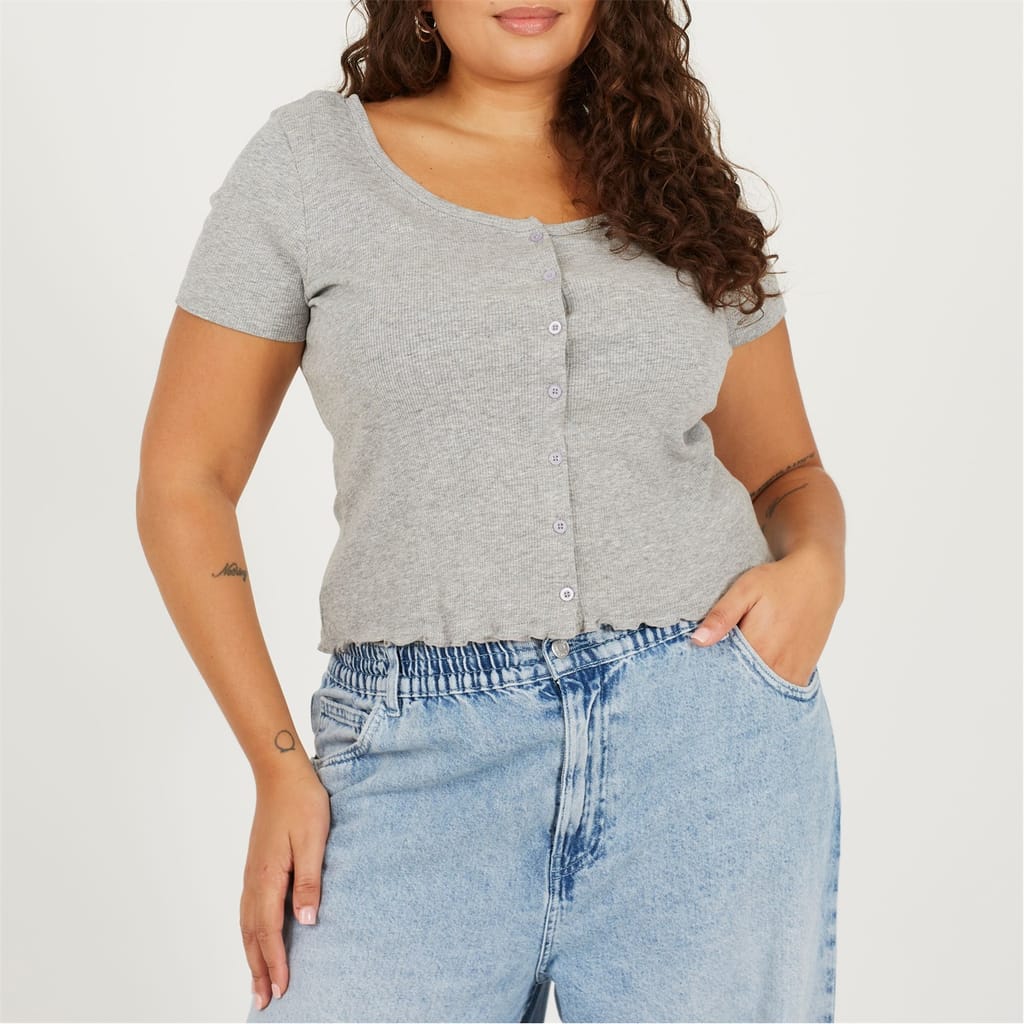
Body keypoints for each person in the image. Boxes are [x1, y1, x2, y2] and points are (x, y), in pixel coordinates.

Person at [136, 1, 846, 1021]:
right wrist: (276, 766)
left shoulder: (681, 181)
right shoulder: (308, 166)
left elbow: (787, 470)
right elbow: (185, 479)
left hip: (706, 748)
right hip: (415, 759)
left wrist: (817, 566)